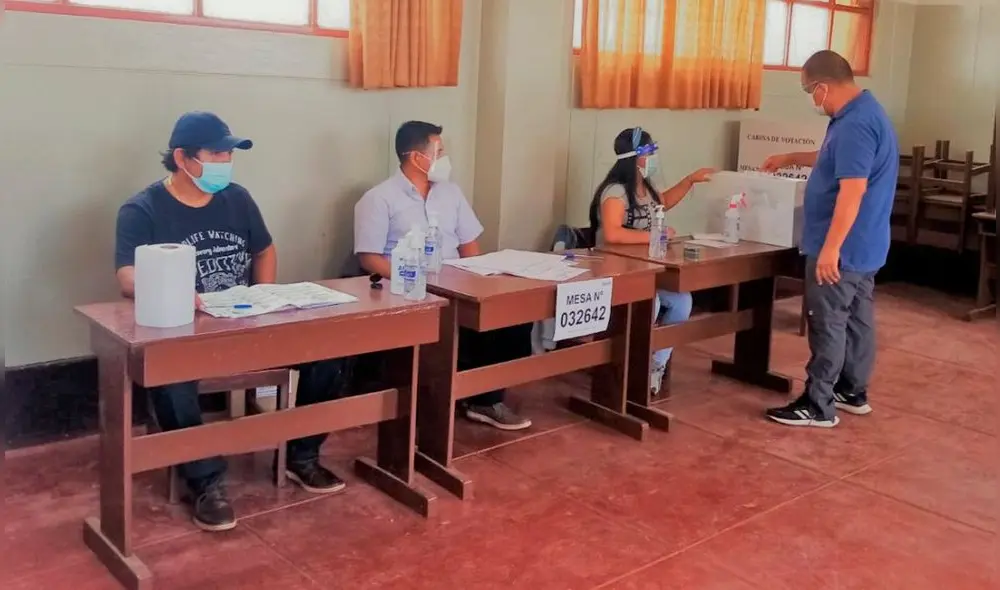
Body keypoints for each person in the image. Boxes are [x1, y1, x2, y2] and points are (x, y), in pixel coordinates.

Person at [115, 112, 349, 532]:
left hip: (245, 323)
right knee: (168, 375)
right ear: (183, 158)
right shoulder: (142, 209)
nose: (226, 161)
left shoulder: (236, 198)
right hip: (187, 331)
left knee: (331, 352)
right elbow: (126, 275)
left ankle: (302, 455)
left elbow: (265, 249)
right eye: (217, 153)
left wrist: (264, 295)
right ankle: (206, 482)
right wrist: (168, 288)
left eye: (230, 153)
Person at [353, 121, 532, 431]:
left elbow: (470, 246)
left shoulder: (451, 193)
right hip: (407, 288)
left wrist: (483, 284)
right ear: (415, 157)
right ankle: (442, 400)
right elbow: (368, 258)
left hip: (457, 284)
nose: (444, 158)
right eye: (439, 151)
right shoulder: (378, 199)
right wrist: (410, 278)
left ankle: (485, 398)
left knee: (512, 314)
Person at [760, 50, 898, 428]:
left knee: (828, 321)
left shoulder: (854, 125)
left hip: (843, 246)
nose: (811, 99)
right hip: (867, 243)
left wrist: (831, 249)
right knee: (857, 319)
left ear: (822, 86)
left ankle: (818, 404)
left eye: (809, 91)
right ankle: (852, 390)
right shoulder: (863, 113)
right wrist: (790, 157)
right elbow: (833, 157)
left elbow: (852, 191)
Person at [587, 127, 714, 394]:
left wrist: (690, 180)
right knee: (650, 303)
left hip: (643, 270)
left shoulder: (645, 187)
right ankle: (629, 369)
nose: (654, 156)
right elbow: (612, 233)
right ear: (636, 157)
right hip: (615, 270)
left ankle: (655, 365)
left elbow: (662, 203)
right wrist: (654, 236)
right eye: (650, 151)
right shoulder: (615, 192)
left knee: (682, 302)